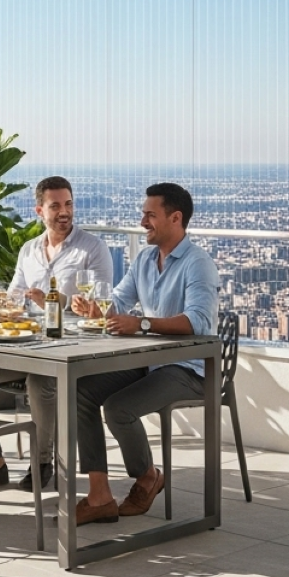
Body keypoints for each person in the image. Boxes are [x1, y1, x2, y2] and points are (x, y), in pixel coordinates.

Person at [70, 181, 220, 524]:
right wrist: (94, 308)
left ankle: (148, 476)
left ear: (175, 218)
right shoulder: (145, 259)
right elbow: (118, 303)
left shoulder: (198, 263)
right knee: (81, 390)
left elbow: (198, 322)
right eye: (143, 214)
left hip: (190, 368)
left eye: (150, 215)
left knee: (118, 408)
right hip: (150, 361)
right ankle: (99, 496)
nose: (142, 222)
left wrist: (142, 324)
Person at [0, 177, 113, 492]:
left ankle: (41, 463)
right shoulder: (29, 250)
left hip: (70, 350)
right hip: (30, 346)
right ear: (40, 210)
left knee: (42, 380)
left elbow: (99, 307)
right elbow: (14, 297)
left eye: (68, 204)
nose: (64, 211)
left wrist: (54, 303)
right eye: (55, 206)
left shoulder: (93, 249)